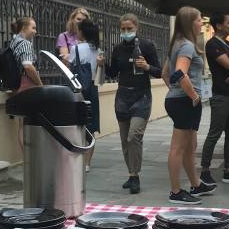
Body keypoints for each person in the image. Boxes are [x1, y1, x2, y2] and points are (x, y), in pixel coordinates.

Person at [162, 6, 216, 205]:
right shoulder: (186, 46)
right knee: (178, 148)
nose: (202, 22)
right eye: (199, 19)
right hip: (185, 101)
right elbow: (179, 73)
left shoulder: (177, 44)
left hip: (179, 100)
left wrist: (175, 92)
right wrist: (192, 95)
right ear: (189, 23)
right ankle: (175, 192)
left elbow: (165, 75)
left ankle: (196, 184)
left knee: (189, 146)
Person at [106, 13, 162, 194]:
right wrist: (102, 64)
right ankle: (131, 175)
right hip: (122, 96)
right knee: (124, 141)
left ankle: (135, 176)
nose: (126, 32)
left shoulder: (146, 46)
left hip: (142, 97)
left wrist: (147, 67)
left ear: (137, 28)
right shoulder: (118, 48)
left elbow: (159, 71)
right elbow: (113, 72)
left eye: (129, 29)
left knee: (134, 136)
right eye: (123, 29)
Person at [200, 12, 229, 186]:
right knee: (215, 133)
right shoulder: (212, 44)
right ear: (218, 25)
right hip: (221, 95)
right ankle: (204, 170)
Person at [68, 18, 104, 172]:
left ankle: (77, 159)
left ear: (82, 32)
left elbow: (70, 71)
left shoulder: (75, 49)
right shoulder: (99, 51)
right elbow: (101, 78)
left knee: (77, 125)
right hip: (93, 90)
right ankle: (87, 163)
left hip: (78, 90)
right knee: (91, 125)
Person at [9, 17, 43, 151]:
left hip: (17, 85)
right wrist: (40, 83)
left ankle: (28, 159)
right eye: (33, 28)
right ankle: (31, 158)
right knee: (31, 124)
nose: (35, 31)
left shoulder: (13, 42)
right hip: (27, 85)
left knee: (22, 124)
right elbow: (28, 66)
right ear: (24, 28)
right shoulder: (25, 44)